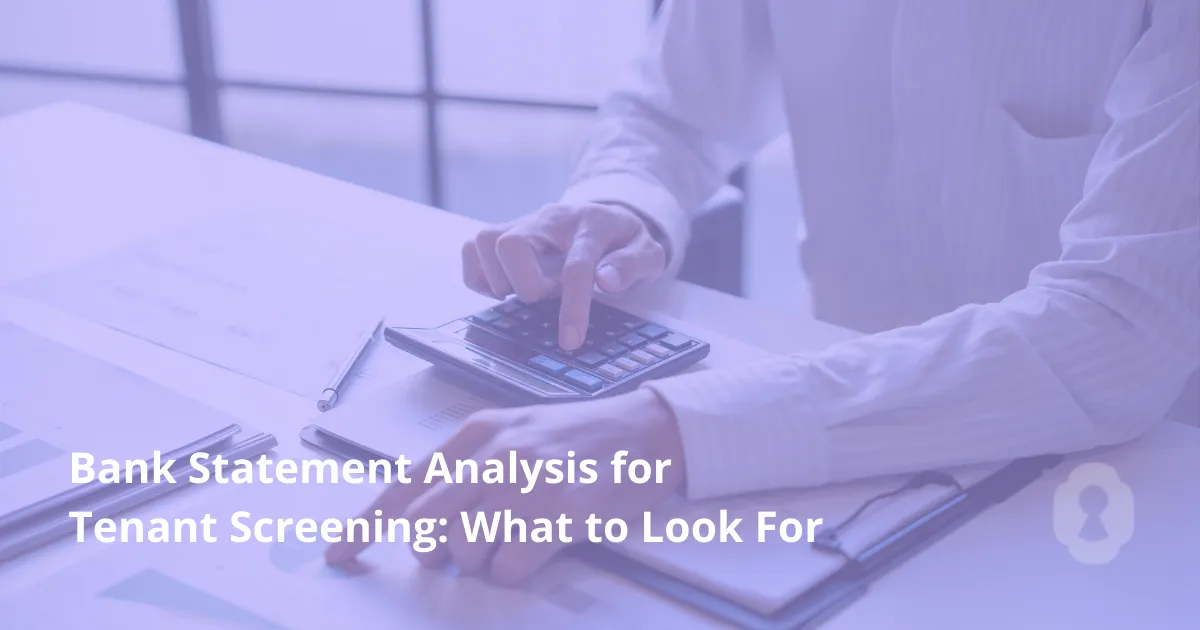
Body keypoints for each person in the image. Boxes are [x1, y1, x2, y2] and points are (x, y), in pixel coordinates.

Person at [328, 1, 1199, 583]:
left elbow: (1120, 328)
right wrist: (623, 201)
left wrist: (668, 430)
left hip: (1124, 503)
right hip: (821, 481)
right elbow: (672, 111)